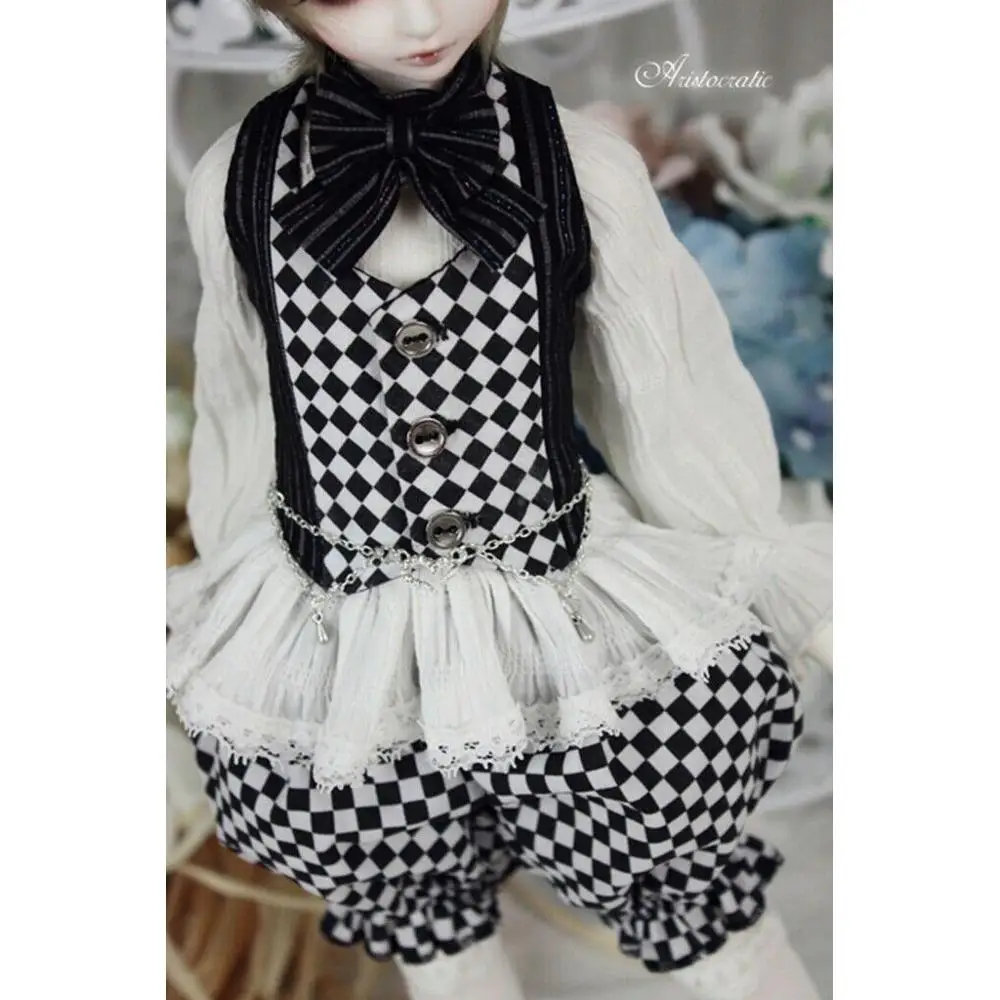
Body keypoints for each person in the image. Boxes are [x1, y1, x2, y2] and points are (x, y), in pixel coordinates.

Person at [167, 2, 833, 998]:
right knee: (414, 904)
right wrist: (226, 612)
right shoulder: (241, 174)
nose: (418, 15)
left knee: (673, 865)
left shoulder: (576, 164)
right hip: (343, 643)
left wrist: (766, 566)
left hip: (558, 612)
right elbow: (240, 399)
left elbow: (665, 393)